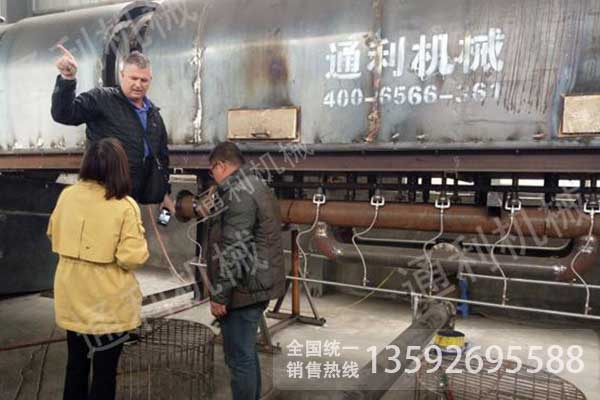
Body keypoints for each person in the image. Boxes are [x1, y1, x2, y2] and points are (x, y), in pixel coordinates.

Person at [47, 138, 149, 400]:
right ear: (120, 168)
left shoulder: (67, 196)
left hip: (72, 301)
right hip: (108, 308)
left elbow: (52, 233)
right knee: (104, 374)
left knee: (75, 367)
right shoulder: (124, 206)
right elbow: (132, 258)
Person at [51, 46, 174, 212]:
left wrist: (164, 192)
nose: (138, 84)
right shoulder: (102, 99)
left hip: (131, 200)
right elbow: (63, 114)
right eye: (133, 78)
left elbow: (161, 156)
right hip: (102, 196)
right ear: (121, 75)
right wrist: (67, 79)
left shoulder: (154, 114)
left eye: (144, 80)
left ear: (150, 80)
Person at [206, 142, 285, 400]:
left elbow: (234, 249)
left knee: (239, 358)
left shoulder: (238, 193)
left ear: (221, 166)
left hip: (244, 288)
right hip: (256, 282)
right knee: (246, 354)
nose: (213, 176)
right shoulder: (256, 185)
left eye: (212, 170)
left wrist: (219, 295)